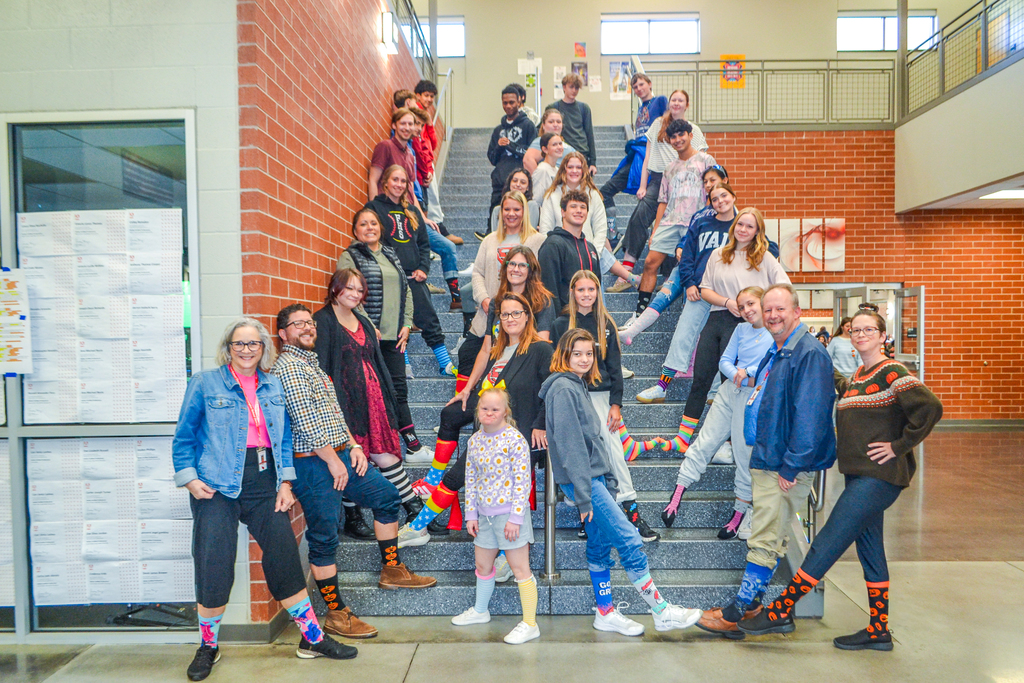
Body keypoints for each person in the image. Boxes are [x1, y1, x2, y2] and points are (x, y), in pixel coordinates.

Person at [737, 308, 942, 651]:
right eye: (855, 330)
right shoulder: (861, 376)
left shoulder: (892, 372)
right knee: (870, 549)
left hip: (879, 478)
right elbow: (840, 384)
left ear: (882, 336)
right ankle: (879, 630)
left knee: (829, 540)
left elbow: (930, 408)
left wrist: (898, 446)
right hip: (859, 474)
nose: (861, 335)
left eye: (868, 330)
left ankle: (781, 610)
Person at [173, 318, 356, 681]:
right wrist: (190, 480)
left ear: (263, 348)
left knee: (285, 558)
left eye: (253, 344)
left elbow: (283, 439)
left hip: (265, 483)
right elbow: (184, 438)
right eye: (239, 344)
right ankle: (208, 645)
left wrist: (285, 482)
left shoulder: (273, 385)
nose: (246, 350)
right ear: (228, 348)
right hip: (216, 486)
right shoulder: (206, 383)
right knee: (214, 565)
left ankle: (312, 638)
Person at [273, 304, 435, 622]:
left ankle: (392, 569)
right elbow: (305, 423)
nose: (307, 328)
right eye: (298, 324)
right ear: (283, 333)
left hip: (342, 453)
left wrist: (354, 446)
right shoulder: (289, 367)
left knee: (387, 497)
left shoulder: (313, 365)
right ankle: (336, 614)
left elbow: (335, 413)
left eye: (310, 322)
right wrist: (335, 461)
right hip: (314, 464)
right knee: (324, 536)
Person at [539, 329, 703, 636]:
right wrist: (586, 496)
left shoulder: (577, 385)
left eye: (589, 353)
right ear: (563, 355)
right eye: (577, 354)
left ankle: (604, 612)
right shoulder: (563, 389)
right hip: (585, 482)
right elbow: (570, 446)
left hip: (595, 478)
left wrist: (610, 477)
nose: (585, 359)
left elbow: (594, 440)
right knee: (629, 539)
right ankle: (661, 611)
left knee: (600, 546)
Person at [696, 283, 836, 640]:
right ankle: (760, 607)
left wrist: (791, 466)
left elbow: (811, 417)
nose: (773, 315)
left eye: (780, 309)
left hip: (782, 467)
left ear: (797, 312)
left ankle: (738, 611)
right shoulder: (779, 351)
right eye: (768, 309)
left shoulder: (809, 354)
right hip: (768, 458)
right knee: (771, 538)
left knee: (763, 538)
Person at [399, 293, 553, 547]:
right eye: (505, 314)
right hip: (486, 435)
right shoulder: (498, 351)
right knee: (460, 480)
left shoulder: (541, 349)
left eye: (517, 313)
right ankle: (420, 528)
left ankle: (419, 527)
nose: (510, 318)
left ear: (528, 316)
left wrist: (541, 424)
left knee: (458, 479)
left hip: (519, 438)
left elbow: (552, 391)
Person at [656, 208, 790, 460]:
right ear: (734, 226)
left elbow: (784, 288)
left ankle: (728, 442)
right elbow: (704, 289)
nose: (743, 229)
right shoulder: (718, 254)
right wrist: (729, 302)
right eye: (741, 224)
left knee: (733, 385)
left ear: (757, 231)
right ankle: (684, 439)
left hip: (746, 326)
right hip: (717, 318)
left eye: (750, 226)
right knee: (701, 381)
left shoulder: (764, 258)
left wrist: (761, 309)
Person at [552, 270, 659, 542]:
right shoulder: (561, 323)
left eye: (591, 289)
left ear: (598, 292)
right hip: (573, 396)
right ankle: (588, 516)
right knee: (579, 455)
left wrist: (616, 404)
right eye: (581, 290)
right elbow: (554, 366)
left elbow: (615, 367)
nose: (586, 294)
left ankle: (631, 512)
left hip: (602, 397)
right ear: (573, 292)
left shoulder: (606, 323)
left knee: (613, 453)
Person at [659, 287, 773, 542]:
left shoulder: (773, 332)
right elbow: (724, 360)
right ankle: (676, 497)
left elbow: (771, 362)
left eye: (751, 304)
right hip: (729, 390)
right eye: (742, 306)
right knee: (704, 442)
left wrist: (749, 372)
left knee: (744, 457)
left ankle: (738, 516)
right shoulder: (741, 330)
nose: (746, 311)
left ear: (763, 302)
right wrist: (737, 375)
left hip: (752, 398)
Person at [313, 269, 424, 526]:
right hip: (345, 402)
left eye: (359, 289)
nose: (354, 294)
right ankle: (353, 516)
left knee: (386, 455)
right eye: (348, 288)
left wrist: (387, 399)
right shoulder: (323, 321)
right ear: (334, 289)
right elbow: (323, 368)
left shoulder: (362, 322)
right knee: (353, 455)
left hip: (374, 400)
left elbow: (376, 361)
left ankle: (413, 507)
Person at [338, 209, 434, 472]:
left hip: (394, 337)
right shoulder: (351, 256)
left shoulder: (391, 253)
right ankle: (375, 450)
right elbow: (348, 294)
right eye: (362, 224)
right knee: (373, 395)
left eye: (373, 223)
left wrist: (406, 323)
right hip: (367, 339)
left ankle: (412, 446)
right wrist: (368, 326)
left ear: (380, 227)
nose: (369, 227)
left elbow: (406, 290)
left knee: (398, 390)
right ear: (355, 230)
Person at [450, 386, 540, 645]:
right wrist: (471, 514)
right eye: (485, 408)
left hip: (509, 516)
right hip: (484, 517)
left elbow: (523, 482)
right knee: (482, 566)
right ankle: (480, 610)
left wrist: (515, 518)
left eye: (495, 409)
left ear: (504, 412)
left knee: (520, 569)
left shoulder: (515, 440)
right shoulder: (475, 439)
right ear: (478, 411)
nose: (489, 413)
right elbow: (471, 478)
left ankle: (530, 623)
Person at [364, 164, 455, 375]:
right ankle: (403, 365)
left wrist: (424, 267)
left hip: (414, 278)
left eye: (403, 181)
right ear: (385, 182)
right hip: (389, 280)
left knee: (428, 318)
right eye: (395, 180)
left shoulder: (412, 211)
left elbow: (424, 244)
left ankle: (445, 363)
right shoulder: (374, 209)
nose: (399, 184)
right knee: (394, 323)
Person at [617, 90, 709, 289]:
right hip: (659, 178)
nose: (676, 103)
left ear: (687, 104)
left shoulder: (695, 130)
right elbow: (647, 156)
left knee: (675, 228)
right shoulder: (658, 123)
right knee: (639, 216)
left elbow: (701, 164)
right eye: (673, 99)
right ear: (669, 103)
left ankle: (668, 279)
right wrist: (643, 185)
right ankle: (626, 269)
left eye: (680, 100)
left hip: (686, 186)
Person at [632, 118, 717, 319]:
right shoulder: (669, 167)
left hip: (693, 224)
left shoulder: (706, 160)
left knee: (694, 268)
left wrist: (706, 220)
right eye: (673, 137)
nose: (678, 139)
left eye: (681, 135)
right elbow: (662, 201)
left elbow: (713, 193)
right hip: (670, 222)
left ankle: (691, 314)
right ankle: (640, 313)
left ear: (690, 136)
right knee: (650, 263)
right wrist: (655, 230)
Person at [461, 198, 548, 391]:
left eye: (516, 209)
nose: (511, 213)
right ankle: (465, 398)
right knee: (466, 353)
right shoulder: (490, 240)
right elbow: (477, 272)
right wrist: (484, 298)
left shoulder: (538, 240)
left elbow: (541, 347)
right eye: (506, 209)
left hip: (520, 365)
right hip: (492, 308)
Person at [537, 153, 638, 288]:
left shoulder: (592, 194)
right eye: (570, 167)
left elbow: (601, 229)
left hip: (588, 252)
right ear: (563, 169)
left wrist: (592, 254)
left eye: (578, 167)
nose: (574, 171)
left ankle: (627, 278)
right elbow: (545, 229)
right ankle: (629, 277)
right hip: (560, 253)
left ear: (584, 170)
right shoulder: (552, 195)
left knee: (599, 257)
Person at [600, 73, 668, 213]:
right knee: (605, 191)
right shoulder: (640, 108)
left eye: (641, 84)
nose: (639, 89)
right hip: (638, 156)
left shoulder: (660, 100)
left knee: (650, 199)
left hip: (653, 156)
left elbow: (668, 124)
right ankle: (612, 230)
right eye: (635, 87)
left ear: (650, 84)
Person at [482, 85, 537, 239]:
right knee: (496, 211)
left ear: (520, 101)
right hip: (500, 181)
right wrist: (500, 147)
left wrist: (510, 146)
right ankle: (491, 234)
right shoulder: (498, 129)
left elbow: (532, 154)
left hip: (520, 182)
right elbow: (492, 158)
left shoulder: (528, 126)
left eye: (512, 102)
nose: (508, 106)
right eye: (505, 103)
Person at [537, 189, 600, 314]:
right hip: (563, 320)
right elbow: (548, 289)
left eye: (583, 207)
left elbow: (597, 289)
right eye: (573, 206)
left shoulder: (591, 249)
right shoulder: (553, 245)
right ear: (563, 212)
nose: (579, 210)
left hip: (588, 319)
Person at [548, 73, 597, 177]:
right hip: (563, 155)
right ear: (564, 87)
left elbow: (589, 134)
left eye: (576, 88)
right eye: (571, 87)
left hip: (582, 154)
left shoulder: (584, 108)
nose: (574, 90)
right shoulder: (554, 107)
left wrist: (593, 162)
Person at [369, 109, 418, 203]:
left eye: (410, 124)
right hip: (387, 207)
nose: (407, 128)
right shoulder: (385, 146)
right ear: (394, 125)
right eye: (403, 123)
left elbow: (411, 191)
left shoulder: (410, 155)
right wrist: (375, 209)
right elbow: (373, 180)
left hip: (406, 210)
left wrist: (421, 217)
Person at [486, 168, 541, 237]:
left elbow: (530, 235)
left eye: (523, 182)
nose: (518, 184)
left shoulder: (531, 206)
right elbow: (495, 237)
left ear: (528, 188)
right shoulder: (498, 210)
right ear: (509, 184)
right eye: (515, 181)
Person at [522, 108, 576, 173]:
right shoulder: (540, 142)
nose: (555, 125)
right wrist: (540, 179)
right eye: (551, 122)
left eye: (558, 122)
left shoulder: (569, 148)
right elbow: (528, 160)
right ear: (543, 125)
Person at [530, 132, 563, 200]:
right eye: (554, 145)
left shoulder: (557, 169)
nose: (559, 147)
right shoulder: (542, 170)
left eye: (560, 143)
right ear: (545, 149)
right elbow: (537, 199)